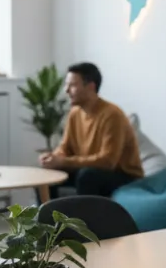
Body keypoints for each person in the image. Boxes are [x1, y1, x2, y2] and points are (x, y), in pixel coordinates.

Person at [39, 62, 144, 197]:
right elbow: (65, 148)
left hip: (125, 177)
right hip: (90, 171)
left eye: (72, 85)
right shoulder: (74, 113)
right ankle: (48, 217)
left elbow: (108, 161)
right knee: (46, 175)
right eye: (67, 85)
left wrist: (64, 162)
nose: (66, 90)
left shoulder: (112, 115)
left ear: (90, 87)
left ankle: (85, 218)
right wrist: (53, 158)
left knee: (87, 176)